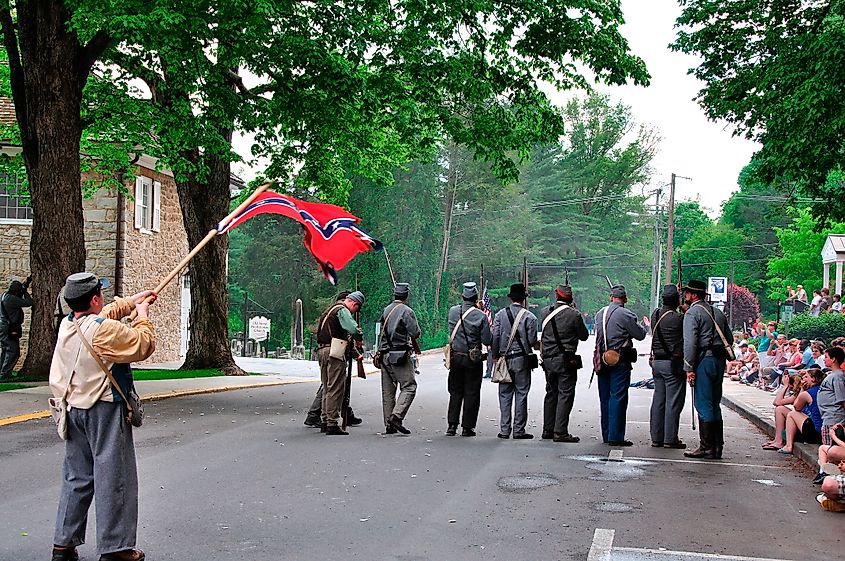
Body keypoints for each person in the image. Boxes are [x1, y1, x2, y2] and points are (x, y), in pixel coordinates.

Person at [49, 272, 156, 561]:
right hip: (104, 409)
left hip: (73, 410)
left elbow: (100, 318)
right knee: (114, 478)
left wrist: (129, 303)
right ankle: (116, 548)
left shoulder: (68, 324)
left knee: (77, 478)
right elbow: (141, 344)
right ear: (95, 298)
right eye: (101, 294)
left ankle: (63, 544)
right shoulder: (104, 331)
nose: (104, 298)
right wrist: (142, 315)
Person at [682, 279, 733, 459]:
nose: (685, 295)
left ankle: (707, 447)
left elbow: (689, 343)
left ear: (694, 295)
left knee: (703, 403)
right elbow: (729, 338)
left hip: (703, 361)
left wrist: (688, 367)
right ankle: (717, 446)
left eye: (687, 292)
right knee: (714, 402)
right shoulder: (718, 312)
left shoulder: (692, 313)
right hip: (719, 361)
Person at [594, 284, 647, 446]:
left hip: (602, 359)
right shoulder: (626, 314)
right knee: (618, 397)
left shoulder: (600, 314)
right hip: (620, 359)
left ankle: (606, 433)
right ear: (624, 299)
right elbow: (640, 335)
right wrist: (645, 325)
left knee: (605, 398)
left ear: (611, 297)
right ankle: (615, 436)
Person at [304, 291, 362, 429]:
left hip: (322, 350)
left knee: (327, 387)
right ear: (354, 303)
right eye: (355, 309)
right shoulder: (342, 310)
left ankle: (325, 421)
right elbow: (352, 329)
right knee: (335, 388)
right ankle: (332, 422)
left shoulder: (329, 310)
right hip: (334, 351)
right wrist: (359, 338)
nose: (353, 313)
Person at [539, 283, 588, 443]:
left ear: (556, 295)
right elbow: (584, 336)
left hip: (547, 360)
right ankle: (560, 431)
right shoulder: (574, 315)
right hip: (565, 360)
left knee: (551, 393)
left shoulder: (545, 312)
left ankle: (548, 429)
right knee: (565, 394)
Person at [491, 283, 539, 439]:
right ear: (523, 299)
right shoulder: (530, 317)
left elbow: (495, 337)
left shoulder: (499, 315)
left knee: (504, 394)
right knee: (521, 393)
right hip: (521, 359)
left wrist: (496, 356)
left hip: (504, 359)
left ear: (511, 298)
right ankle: (519, 430)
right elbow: (532, 341)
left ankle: (504, 430)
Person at [445, 282, 492, 437]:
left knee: (455, 392)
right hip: (473, 359)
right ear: (476, 298)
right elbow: (487, 340)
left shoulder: (453, 312)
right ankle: (467, 427)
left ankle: (452, 426)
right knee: (472, 392)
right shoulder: (481, 316)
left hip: (455, 357)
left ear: (463, 296)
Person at [379, 283, 421, 435]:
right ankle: (396, 417)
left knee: (388, 391)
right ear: (406, 296)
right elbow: (415, 333)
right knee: (409, 387)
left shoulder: (386, 310)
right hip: (400, 354)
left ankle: (389, 425)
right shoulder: (406, 311)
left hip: (384, 355)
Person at [648, 285, 686, 449]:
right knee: (673, 402)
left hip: (657, 361)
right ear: (677, 301)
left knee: (658, 400)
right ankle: (670, 438)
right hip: (672, 363)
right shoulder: (679, 318)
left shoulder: (655, 314)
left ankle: (656, 437)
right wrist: (685, 309)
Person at [779, 368, 825, 454]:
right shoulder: (822, 390)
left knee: (792, 414)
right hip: (822, 430)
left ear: (813, 379)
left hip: (815, 431)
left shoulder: (806, 394)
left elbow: (796, 407)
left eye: (806, 377)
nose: (803, 379)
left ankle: (788, 446)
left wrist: (802, 389)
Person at [0, 277, 33, 380]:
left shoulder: (4, 296)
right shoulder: (12, 299)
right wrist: (25, 292)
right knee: (13, 351)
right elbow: (29, 302)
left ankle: (2, 371)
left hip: (3, 326)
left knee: (6, 350)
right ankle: (5, 373)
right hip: (9, 328)